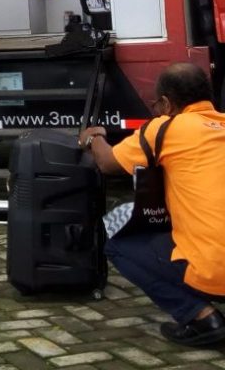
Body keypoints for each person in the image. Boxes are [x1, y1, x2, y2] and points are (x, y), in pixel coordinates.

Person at [80, 62, 225, 347]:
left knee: (118, 244)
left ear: (167, 104)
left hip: (215, 270)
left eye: (156, 105)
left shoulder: (164, 128)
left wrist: (94, 136)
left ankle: (201, 317)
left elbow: (107, 162)